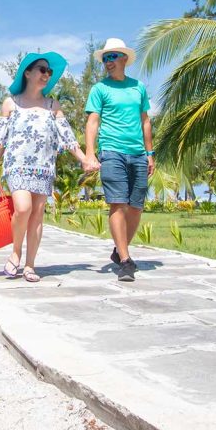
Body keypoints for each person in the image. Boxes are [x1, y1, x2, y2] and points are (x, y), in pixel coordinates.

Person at [0, 52, 98, 282]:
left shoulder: (52, 105)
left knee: (37, 214)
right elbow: (0, 141)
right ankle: (16, 252)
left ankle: (30, 265)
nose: (46, 74)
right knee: (23, 209)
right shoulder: (11, 103)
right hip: (16, 165)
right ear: (27, 72)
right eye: (42, 70)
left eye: (49, 71)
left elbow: (67, 138)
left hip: (44, 167)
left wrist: (84, 158)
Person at [83, 38, 153, 282]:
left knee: (136, 206)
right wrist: (90, 153)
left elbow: (145, 120)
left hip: (138, 154)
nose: (108, 62)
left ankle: (118, 249)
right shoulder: (100, 89)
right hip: (111, 151)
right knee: (118, 202)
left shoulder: (138, 88)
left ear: (124, 59)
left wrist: (150, 153)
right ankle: (125, 260)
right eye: (105, 58)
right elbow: (92, 122)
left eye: (112, 57)